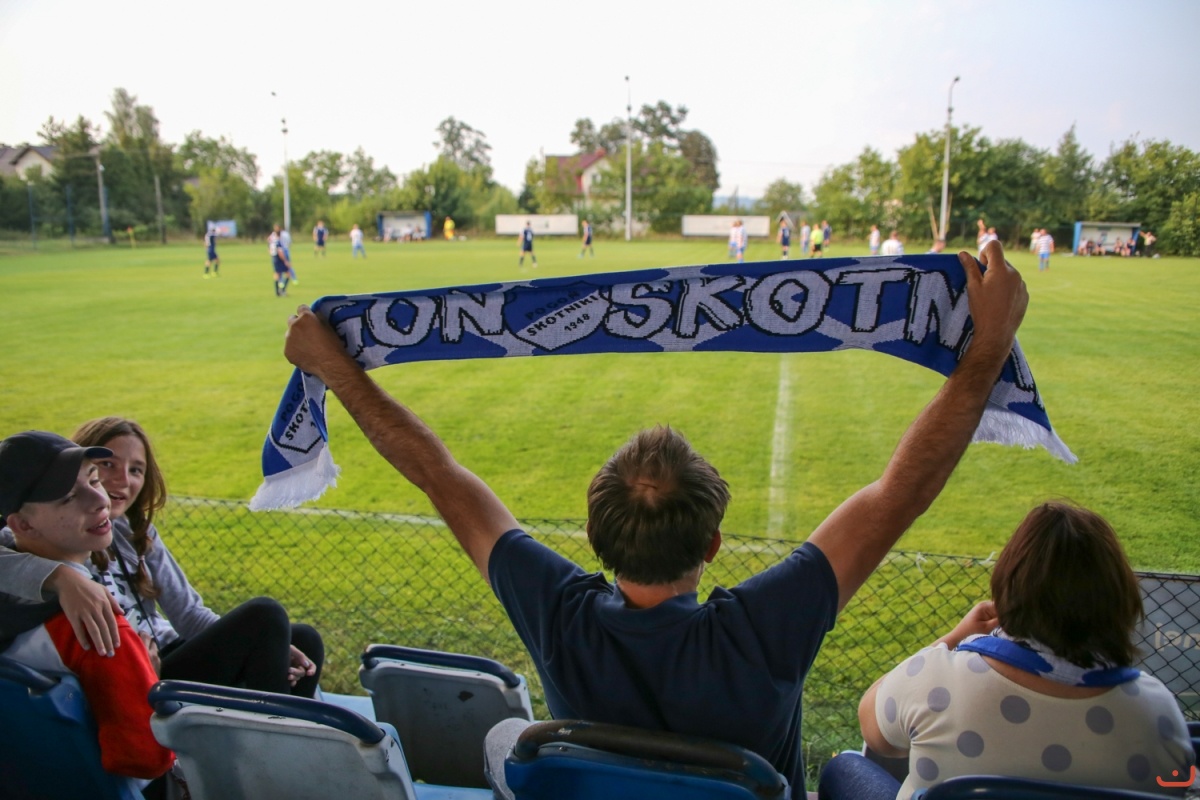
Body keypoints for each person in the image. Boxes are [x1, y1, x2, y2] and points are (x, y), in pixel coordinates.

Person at [280, 239, 1029, 791]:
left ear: (595, 536)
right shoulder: (765, 629)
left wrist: (335, 367)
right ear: (713, 542)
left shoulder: (558, 616)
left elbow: (439, 477)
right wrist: (990, 341)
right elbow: (899, 494)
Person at [820, 502, 1195, 799]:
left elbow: (875, 733)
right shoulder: (1156, 713)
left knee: (843, 767)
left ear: (1009, 588)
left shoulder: (938, 680)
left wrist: (953, 638)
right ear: (1118, 599)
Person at [0, 418, 324, 700]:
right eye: (108, 465)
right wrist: (61, 577)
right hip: (138, 671)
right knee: (266, 615)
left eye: (136, 470)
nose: (123, 480)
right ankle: (277, 743)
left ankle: (293, 738)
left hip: (162, 653)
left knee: (301, 640)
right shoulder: (46, 534)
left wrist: (267, 643)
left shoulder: (135, 532)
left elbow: (190, 615)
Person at [0, 431, 175, 780]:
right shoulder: (100, 626)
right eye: (68, 497)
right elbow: (148, 759)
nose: (100, 499)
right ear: (22, 524)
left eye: (94, 480)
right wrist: (151, 686)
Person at [269, 225, 291, 296]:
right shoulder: (278, 242)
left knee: (277, 274)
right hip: (279, 259)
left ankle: (277, 292)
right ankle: (283, 290)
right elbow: (280, 252)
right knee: (288, 274)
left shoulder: (272, 241)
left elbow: (269, 249)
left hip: (274, 257)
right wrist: (285, 261)